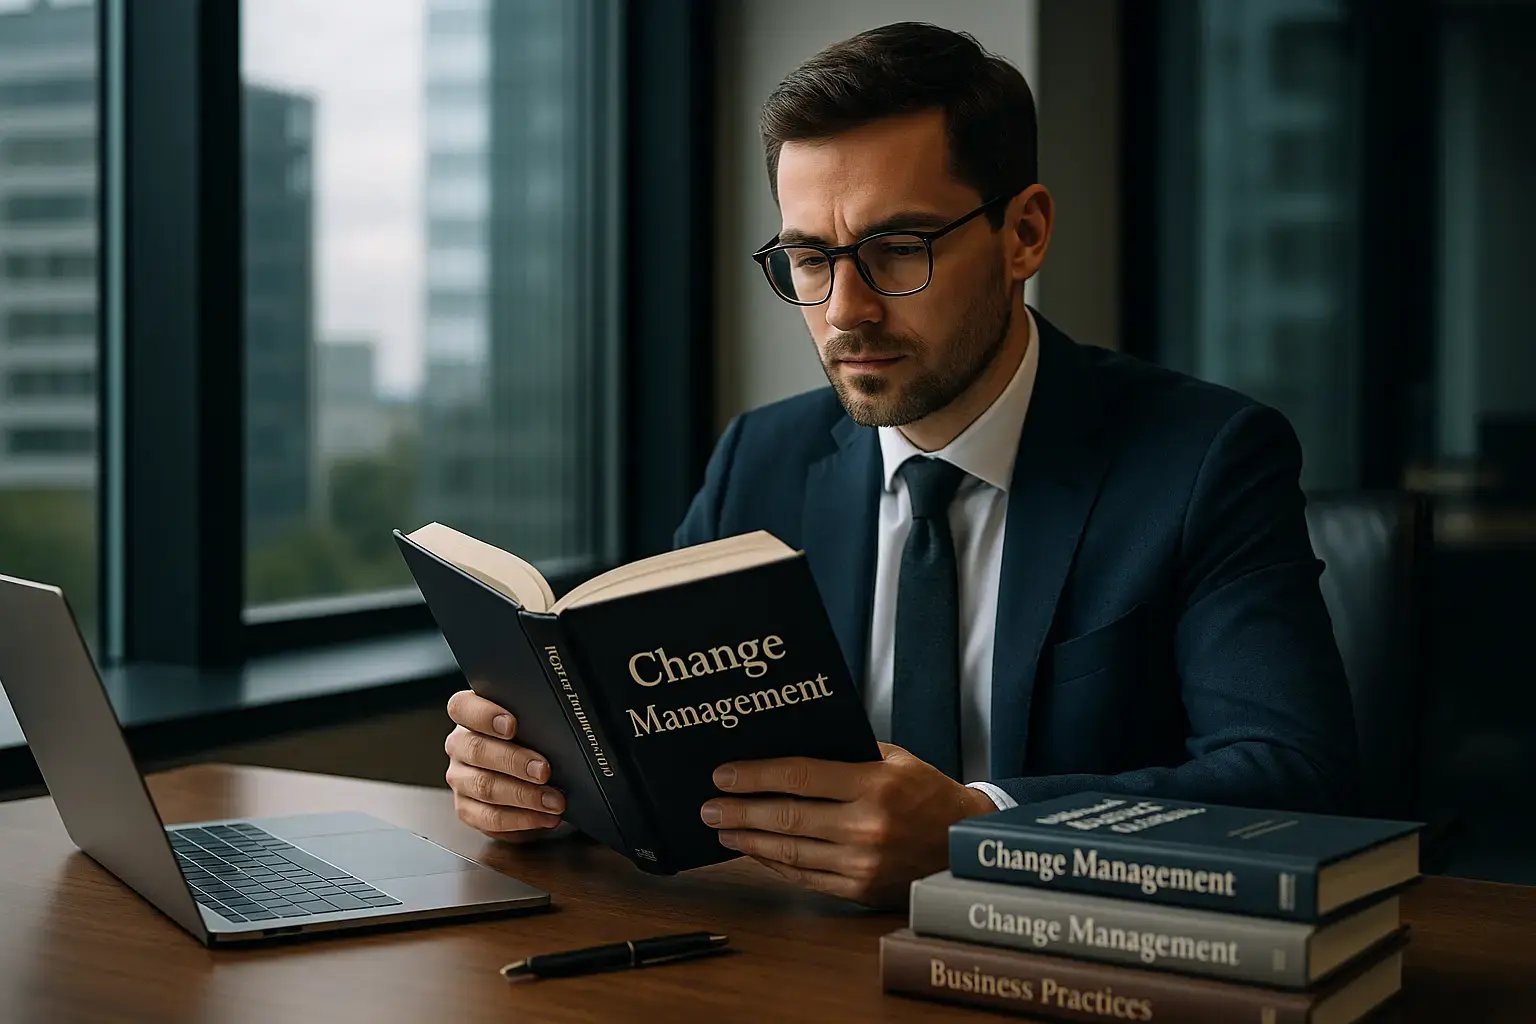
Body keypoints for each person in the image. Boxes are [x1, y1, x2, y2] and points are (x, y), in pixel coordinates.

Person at [441, 22, 1358, 907]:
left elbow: (1292, 778)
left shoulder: (1205, 459)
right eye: (808, 257)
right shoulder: (758, 461)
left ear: (1024, 235)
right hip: (797, 965)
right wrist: (544, 782)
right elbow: (665, 765)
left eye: (895, 250)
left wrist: (980, 826)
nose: (845, 310)